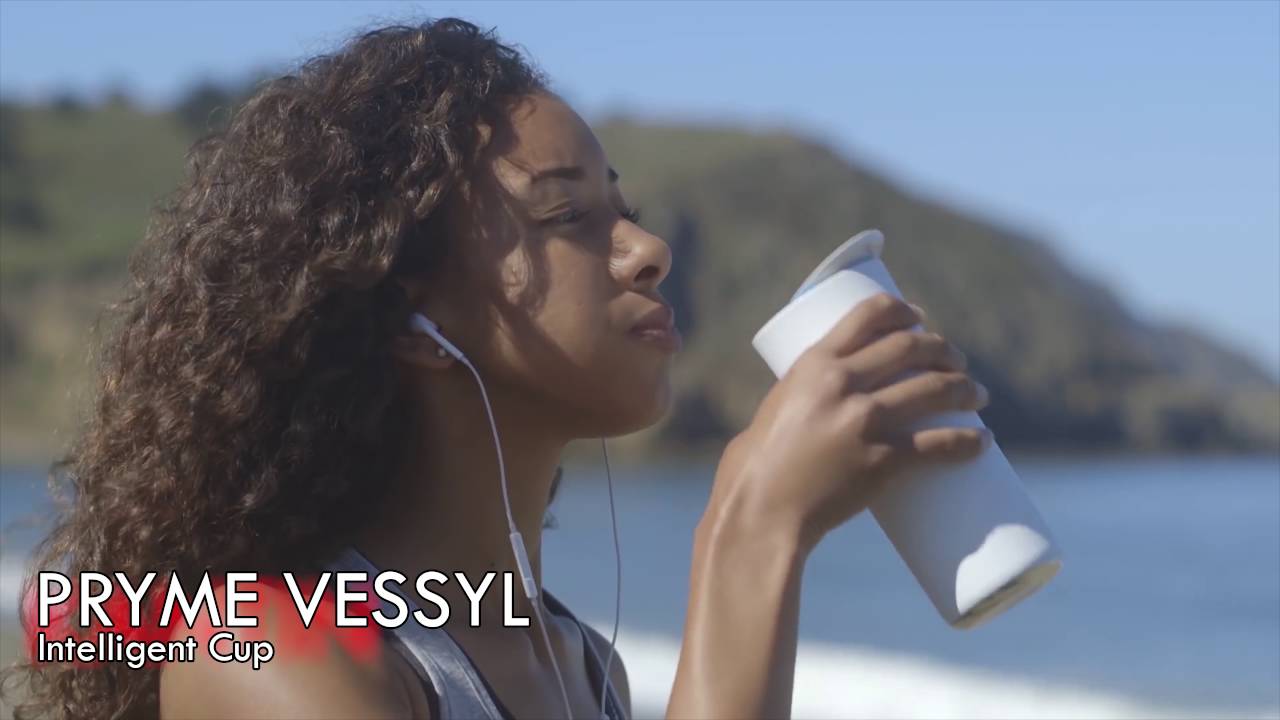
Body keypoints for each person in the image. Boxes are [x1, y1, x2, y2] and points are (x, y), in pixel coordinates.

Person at [3, 18, 990, 720]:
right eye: (566, 215)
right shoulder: (262, 650)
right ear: (406, 312)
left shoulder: (583, 667)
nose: (646, 251)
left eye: (625, 211)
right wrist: (752, 527)